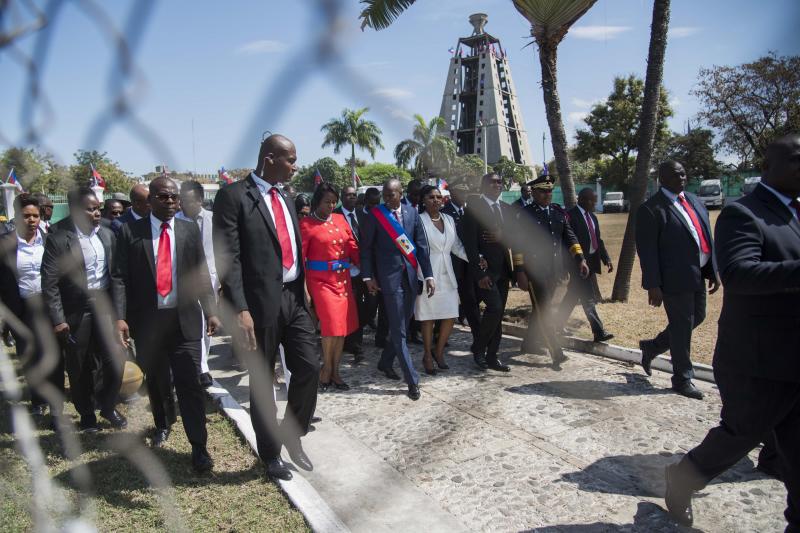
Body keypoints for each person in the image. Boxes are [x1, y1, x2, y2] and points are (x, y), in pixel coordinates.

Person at [662, 134, 800, 530]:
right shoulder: (744, 214)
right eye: (796, 160)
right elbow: (739, 273)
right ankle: (683, 475)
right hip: (759, 360)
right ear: (770, 168)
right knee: (741, 434)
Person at [213, 134, 319, 481]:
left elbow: (292, 248)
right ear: (270, 158)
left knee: (308, 368)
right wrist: (240, 308)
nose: (295, 166)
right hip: (257, 306)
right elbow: (229, 258)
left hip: (293, 298)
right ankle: (270, 453)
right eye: (290, 160)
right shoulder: (233, 197)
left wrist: (302, 287)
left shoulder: (286, 196)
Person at [114, 177, 218, 472]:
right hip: (148, 323)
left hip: (184, 321)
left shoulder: (187, 230)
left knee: (190, 384)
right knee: (158, 381)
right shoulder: (129, 232)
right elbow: (119, 277)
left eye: (174, 198)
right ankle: (162, 423)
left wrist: (211, 310)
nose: (171, 202)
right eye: (164, 197)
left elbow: (201, 273)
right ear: (150, 201)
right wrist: (120, 316)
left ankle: (199, 446)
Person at [41, 187, 125, 432]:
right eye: (91, 209)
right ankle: (87, 413)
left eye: (98, 208)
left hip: (105, 307)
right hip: (76, 310)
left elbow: (117, 277)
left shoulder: (108, 235)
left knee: (115, 359)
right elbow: (49, 282)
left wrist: (120, 315)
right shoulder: (59, 239)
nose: (97, 213)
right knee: (79, 366)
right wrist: (58, 319)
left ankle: (108, 405)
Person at [635, 161, 720, 400]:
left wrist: (712, 270)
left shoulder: (693, 200)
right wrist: (653, 284)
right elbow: (647, 250)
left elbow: (704, 236)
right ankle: (682, 379)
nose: (682, 177)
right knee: (682, 327)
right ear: (662, 179)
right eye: (675, 174)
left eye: (683, 173)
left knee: (698, 317)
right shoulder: (651, 209)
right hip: (673, 279)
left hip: (698, 274)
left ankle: (652, 347)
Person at [361, 178, 434, 401]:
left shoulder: (412, 213)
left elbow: (421, 247)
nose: (387, 197)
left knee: (402, 324)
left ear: (400, 194)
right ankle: (412, 381)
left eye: (392, 194)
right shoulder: (376, 215)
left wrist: (429, 275)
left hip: (410, 277)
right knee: (399, 330)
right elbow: (366, 247)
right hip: (389, 279)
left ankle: (385, 362)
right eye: (385, 194)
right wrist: (367, 277)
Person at [514, 175, 588, 369]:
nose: (547, 195)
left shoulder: (558, 212)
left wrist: (580, 259)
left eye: (549, 191)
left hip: (555, 270)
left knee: (541, 308)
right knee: (545, 309)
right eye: (543, 191)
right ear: (534, 193)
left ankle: (529, 343)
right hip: (534, 271)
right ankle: (557, 351)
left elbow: (569, 237)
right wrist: (519, 271)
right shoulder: (525, 214)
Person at [0, 194, 64, 418]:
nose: (32, 220)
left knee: (54, 354)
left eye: (35, 216)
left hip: (49, 305)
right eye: (26, 216)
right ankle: (37, 398)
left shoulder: (51, 239)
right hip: (21, 308)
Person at [301, 183, 360, 391]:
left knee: (341, 329)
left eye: (335, 202)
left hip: (343, 281)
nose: (331, 206)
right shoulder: (306, 224)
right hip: (321, 282)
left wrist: (368, 270)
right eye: (327, 202)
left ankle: (335, 371)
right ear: (317, 201)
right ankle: (326, 370)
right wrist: (304, 289)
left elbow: (352, 245)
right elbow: (301, 259)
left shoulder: (340, 219)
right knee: (331, 327)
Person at [415, 185, 476, 374]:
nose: (436, 200)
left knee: (450, 315)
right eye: (431, 197)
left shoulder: (449, 219)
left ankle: (438, 351)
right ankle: (427, 355)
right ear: (423, 200)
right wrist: (424, 274)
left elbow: (456, 246)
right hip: (427, 275)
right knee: (428, 318)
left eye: (439, 197)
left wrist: (475, 259)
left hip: (448, 274)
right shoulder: (418, 220)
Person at [461, 173, 514, 372]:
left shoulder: (506, 209)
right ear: (483, 185)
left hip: (503, 271)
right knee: (495, 308)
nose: (497, 185)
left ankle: (492, 356)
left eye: (500, 181)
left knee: (498, 314)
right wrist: (479, 273)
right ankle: (478, 347)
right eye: (492, 182)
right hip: (485, 272)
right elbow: (470, 243)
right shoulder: (474, 209)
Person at [555, 187, 614, 342]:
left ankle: (556, 325)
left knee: (573, 295)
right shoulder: (570, 216)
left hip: (591, 262)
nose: (595, 203)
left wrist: (606, 258)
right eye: (592, 200)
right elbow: (565, 242)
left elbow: (598, 240)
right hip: (576, 264)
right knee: (588, 297)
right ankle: (598, 332)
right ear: (582, 200)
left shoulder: (593, 217)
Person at [176, 180, 219, 388]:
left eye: (190, 201)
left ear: (201, 200)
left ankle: (203, 365)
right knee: (194, 325)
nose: (186, 205)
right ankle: (197, 367)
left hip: (210, 281)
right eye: (182, 201)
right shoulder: (174, 222)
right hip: (184, 284)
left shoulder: (214, 220)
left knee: (208, 325)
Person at [441, 182, 480, 342]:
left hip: (468, 263)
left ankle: (477, 333)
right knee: (446, 299)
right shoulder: (444, 213)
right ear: (452, 193)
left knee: (470, 297)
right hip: (452, 264)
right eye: (460, 192)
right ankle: (439, 333)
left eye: (466, 192)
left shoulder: (469, 212)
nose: (464, 195)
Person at [334, 185, 366, 361]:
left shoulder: (362, 215)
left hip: (363, 269)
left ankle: (355, 340)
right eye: (348, 195)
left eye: (354, 195)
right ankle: (352, 344)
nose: (352, 198)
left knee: (366, 306)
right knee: (347, 307)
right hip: (343, 269)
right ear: (342, 197)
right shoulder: (335, 216)